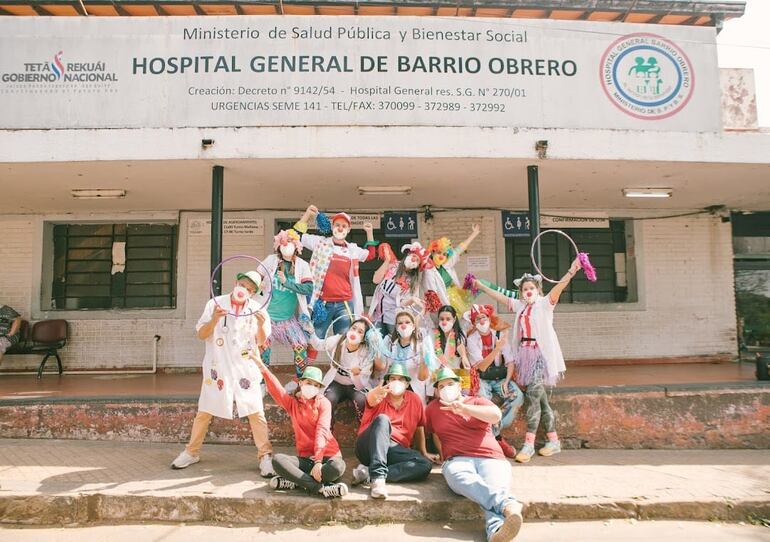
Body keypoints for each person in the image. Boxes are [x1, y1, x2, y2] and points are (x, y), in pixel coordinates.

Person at [473, 259, 581, 463]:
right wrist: (481, 286)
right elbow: (500, 296)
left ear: (538, 289)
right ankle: (553, 440)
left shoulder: (545, 304)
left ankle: (529, 444)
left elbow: (559, 287)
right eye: (525, 288)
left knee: (532, 395)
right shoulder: (520, 306)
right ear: (521, 292)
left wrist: (571, 271)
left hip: (540, 356)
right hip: (524, 355)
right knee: (541, 398)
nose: (528, 291)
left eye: (531, 288)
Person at [171, 271, 275, 477]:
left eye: (251, 289)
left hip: (245, 367)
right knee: (205, 410)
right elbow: (201, 334)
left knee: (256, 411)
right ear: (236, 282)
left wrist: (262, 324)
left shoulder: (257, 309)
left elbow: (261, 342)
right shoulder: (215, 304)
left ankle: (265, 456)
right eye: (243, 285)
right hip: (219, 366)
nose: (245, 290)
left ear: (254, 293)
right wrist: (214, 320)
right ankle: (191, 452)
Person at [426, 367, 524, 542]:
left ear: (459, 385)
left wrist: (465, 409)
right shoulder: (433, 408)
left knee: (493, 484)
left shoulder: (477, 401)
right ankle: (507, 505)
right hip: (457, 460)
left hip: (491, 458)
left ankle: (496, 531)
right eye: (441, 386)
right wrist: (438, 453)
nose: (445, 388)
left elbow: (495, 415)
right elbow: (431, 432)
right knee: (461, 478)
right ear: (436, 391)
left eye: (450, 384)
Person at [253, 355, 348, 498]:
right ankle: (320, 488)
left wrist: (318, 461)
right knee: (278, 460)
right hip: (306, 459)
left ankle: (297, 481)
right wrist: (261, 367)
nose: (312, 387)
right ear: (301, 383)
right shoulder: (293, 404)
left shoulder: (324, 403)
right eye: (309, 382)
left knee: (337, 468)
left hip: (328, 457)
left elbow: (321, 431)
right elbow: (277, 389)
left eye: (316, 385)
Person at [294, 205, 376, 356]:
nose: (340, 228)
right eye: (337, 225)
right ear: (332, 227)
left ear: (348, 230)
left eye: (344, 226)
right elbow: (296, 236)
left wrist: (369, 233)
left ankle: (340, 372)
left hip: (344, 304)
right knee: (314, 340)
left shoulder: (352, 249)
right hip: (322, 304)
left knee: (345, 341)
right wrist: (307, 216)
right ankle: (308, 375)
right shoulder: (320, 242)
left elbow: (370, 255)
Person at [351, 363, 439, 499]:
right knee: (383, 420)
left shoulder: (414, 399)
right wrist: (372, 394)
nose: (396, 382)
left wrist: (423, 451)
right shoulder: (379, 396)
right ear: (387, 381)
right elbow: (370, 400)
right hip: (368, 446)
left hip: (394, 450)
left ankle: (368, 473)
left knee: (424, 465)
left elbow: (419, 426)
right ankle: (378, 480)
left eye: (400, 379)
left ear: (406, 383)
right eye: (392, 379)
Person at [465, 304, 521, 458]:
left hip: (500, 377)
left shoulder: (499, 336)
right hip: (482, 378)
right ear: (474, 323)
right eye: (477, 319)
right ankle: (496, 440)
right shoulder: (471, 340)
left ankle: (494, 432)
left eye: (484, 317)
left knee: (517, 395)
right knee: (483, 400)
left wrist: (506, 381)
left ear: (489, 318)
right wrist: (496, 349)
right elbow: (481, 367)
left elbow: (509, 361)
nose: (481, 321)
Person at [308, 317, 383, 425]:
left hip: (356, 386)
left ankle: (365, 430)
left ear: (363, 339)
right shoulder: (338, 340)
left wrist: (356, 375)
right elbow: (319, 345)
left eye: (360, 331)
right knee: (328, 400)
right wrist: (311, 332)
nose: (355, 332)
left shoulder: (367, 352)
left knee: (362, 400)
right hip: (336, 383)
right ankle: (327, 432)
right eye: (353, 328)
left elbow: (361, 386)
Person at [261, 229, 314, 382]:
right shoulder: (271, 260)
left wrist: (287, 282)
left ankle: (302, 382)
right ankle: (262, 383)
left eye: (290, 241)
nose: (286, 244)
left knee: (300, 346)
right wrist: (255, 284)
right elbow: (256, 277)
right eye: (284, 241)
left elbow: (309, 288)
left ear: (296, 246)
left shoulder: (302, 265)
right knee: (263, 348)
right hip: (267, 318)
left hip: (288, 319)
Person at [369, 241, 447, 335]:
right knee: (376, 342)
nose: (414, 259)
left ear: (418, 266)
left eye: (418, 260)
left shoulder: (413, 282)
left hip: (393, 319)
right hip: (376, 315)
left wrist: (413, 300)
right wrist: (386, 261)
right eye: (414, 256)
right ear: (409, 255)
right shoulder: (393, 265)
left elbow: (402, 303)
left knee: (391, 344)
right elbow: (375, 280)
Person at [428, 224, 482, 315]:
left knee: (481, 285)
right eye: (439, 252)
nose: (442, 256)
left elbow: (460, 248)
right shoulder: (428, 269)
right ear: (433, 252)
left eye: (445, 254)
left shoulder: (446, 264)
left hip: (456, 296)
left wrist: (475, 233)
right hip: (440, 302)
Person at [381, 310, 432, 404]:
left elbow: (422, 377)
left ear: (413, 326)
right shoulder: (389, 343)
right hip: (392, 386)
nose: (403, 326)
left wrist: (424, 359)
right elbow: (383, 368)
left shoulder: (421, 346)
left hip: (412, 388)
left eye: (407, 322)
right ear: (396, 327)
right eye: (400, 323)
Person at [433, 305, 471, 394]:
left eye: (448, 319)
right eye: (441, 319)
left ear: (454, 320)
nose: (444, 322)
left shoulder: (460, 337)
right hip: (439, 375)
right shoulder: (433, 335)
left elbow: (464, 359)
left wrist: (464, 356)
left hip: (458, 375)